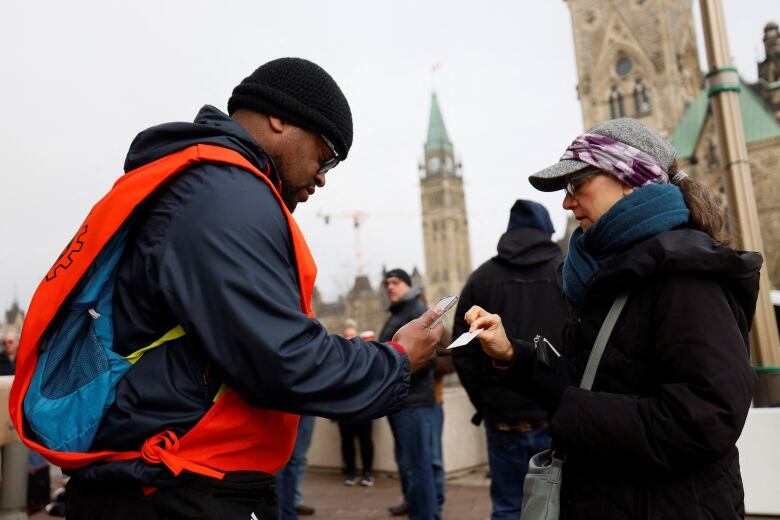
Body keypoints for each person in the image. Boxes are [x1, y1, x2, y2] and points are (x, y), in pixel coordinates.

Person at [12, 58, 444, 520]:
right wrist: (397, 360)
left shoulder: (199, 184)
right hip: (177, 488)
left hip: (163, 478)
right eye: (326, 153)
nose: (322, 176)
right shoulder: (225, 194)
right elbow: (282, 360)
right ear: (280, 119)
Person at [465, 118, 759, 519]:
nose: (566, 203)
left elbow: (705, 419)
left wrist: (572, 413)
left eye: (576, 185)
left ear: (629, 179)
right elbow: (597, 381)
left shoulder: (684, 276)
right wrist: (514, 356)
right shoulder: (607, 271)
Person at [452, 199, 568, 519]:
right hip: (558, 416)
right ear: (547, 231)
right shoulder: (567, 270)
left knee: (507, 508)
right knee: (561, 506)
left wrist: (486, 400)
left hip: (503, 419)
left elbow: (461, 348)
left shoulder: (482, 278)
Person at [379, 269, 441, 520]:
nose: (389, 287)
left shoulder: (416, 311)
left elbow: (429, 357)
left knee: (418, 467)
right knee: (409, 465)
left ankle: (425, 514)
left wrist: (396, 370)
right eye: (386, 284)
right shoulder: (399, 312)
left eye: (395, 283)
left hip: (414, 401)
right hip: (402, 400)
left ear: (408, 285)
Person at [337, 320, 375, 487]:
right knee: (347, 441)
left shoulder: (365, 354)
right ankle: (351, 472)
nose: (349, 339)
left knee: (365, 439)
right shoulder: (337, 358)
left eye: (352, 336)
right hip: (344, 407)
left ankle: (367, 472)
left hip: (364, 406)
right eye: (346, 336)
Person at [276, 414, 317, 519]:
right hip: (283, 406)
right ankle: (279, 514)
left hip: (306, 406)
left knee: (296, 461)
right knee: (281, 462)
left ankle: (289, 514)